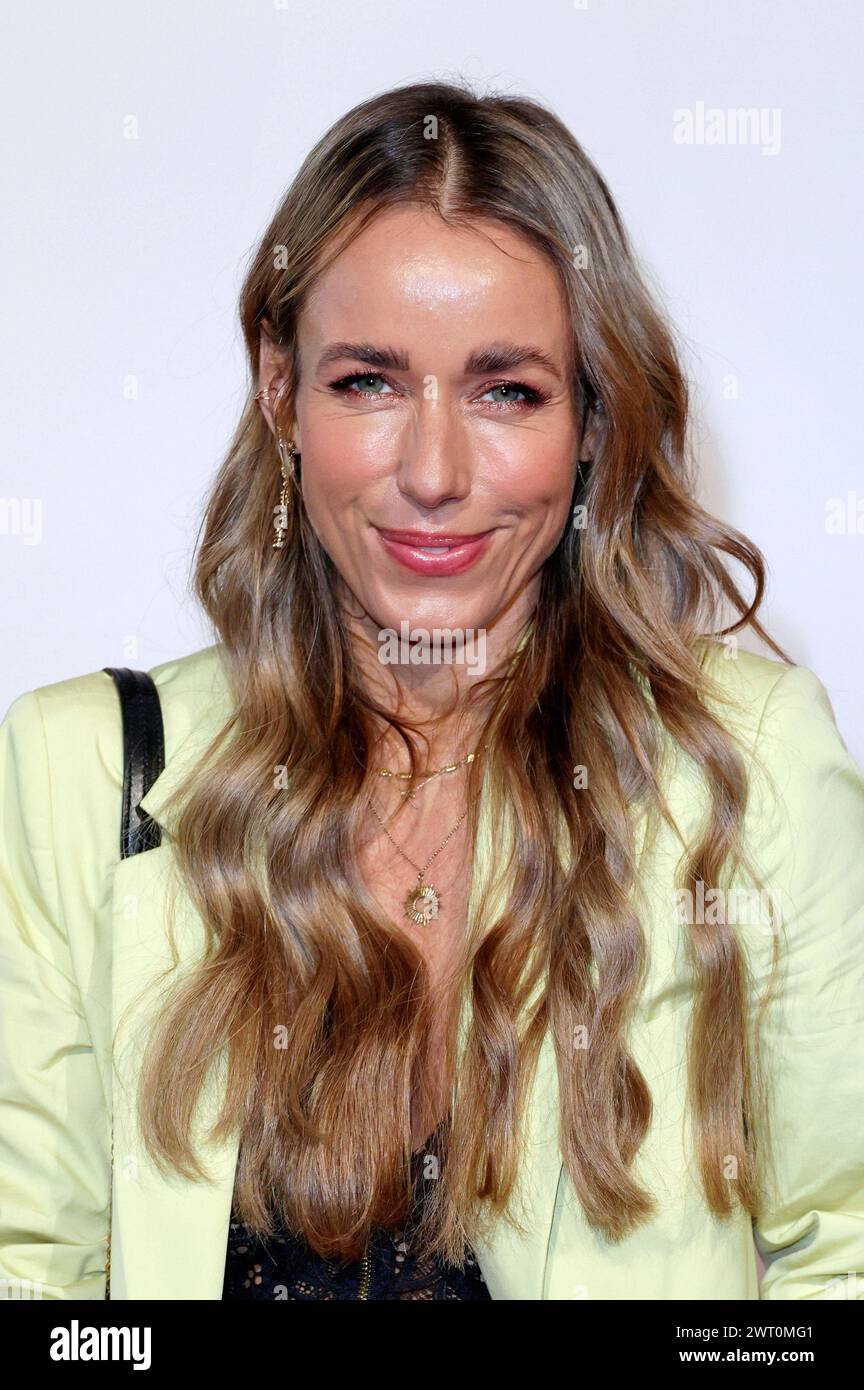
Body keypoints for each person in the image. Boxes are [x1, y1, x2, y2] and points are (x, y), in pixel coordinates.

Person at [1, 79, 862, 1302]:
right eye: (370, 381)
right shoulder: (84, 770)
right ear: (279, 389)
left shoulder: (749, 761)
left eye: (508, 389)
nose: (435, 472)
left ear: (592, 418)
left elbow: (848, 1255)